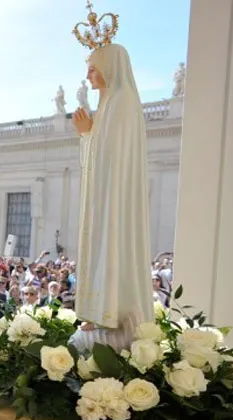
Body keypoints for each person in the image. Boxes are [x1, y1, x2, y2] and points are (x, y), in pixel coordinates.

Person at [70, 41, 153, 352]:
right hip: (103, 196)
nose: (89, 75)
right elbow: (100, 154)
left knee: (111, 244)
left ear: (110, 68)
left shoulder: (122, 101)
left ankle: (112, 312)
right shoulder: (109, 103)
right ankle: (99, 312)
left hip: (113, 197)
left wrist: (88, 134)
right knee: (101, 244)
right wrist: (88, 134)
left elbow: (111, 157)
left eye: (93, 67)